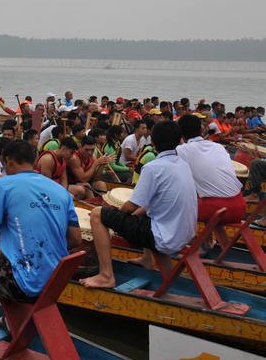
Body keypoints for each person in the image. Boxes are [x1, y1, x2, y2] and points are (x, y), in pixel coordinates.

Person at [82, 121, 197, 287]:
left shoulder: (153, 167)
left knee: (97, 214)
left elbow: (130, 207)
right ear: (180, 140)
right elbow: (147, 204)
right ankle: (148, 261)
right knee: (148, 213)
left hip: (164, 237)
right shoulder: (184, 165)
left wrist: (113, 219)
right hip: (185, 235)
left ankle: (106, 275)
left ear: (153, 143)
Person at [0, 140, 81, 301]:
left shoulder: (3, 184)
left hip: (19, 285)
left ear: (8, 161)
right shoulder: (62, 192)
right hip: (55, 283)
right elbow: (76, 239)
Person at [176, 114, 245, 224]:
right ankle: (209, 240)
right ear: (202, 129)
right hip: (240, 206)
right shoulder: (218, 147)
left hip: (215, 209)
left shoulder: (181, 150)